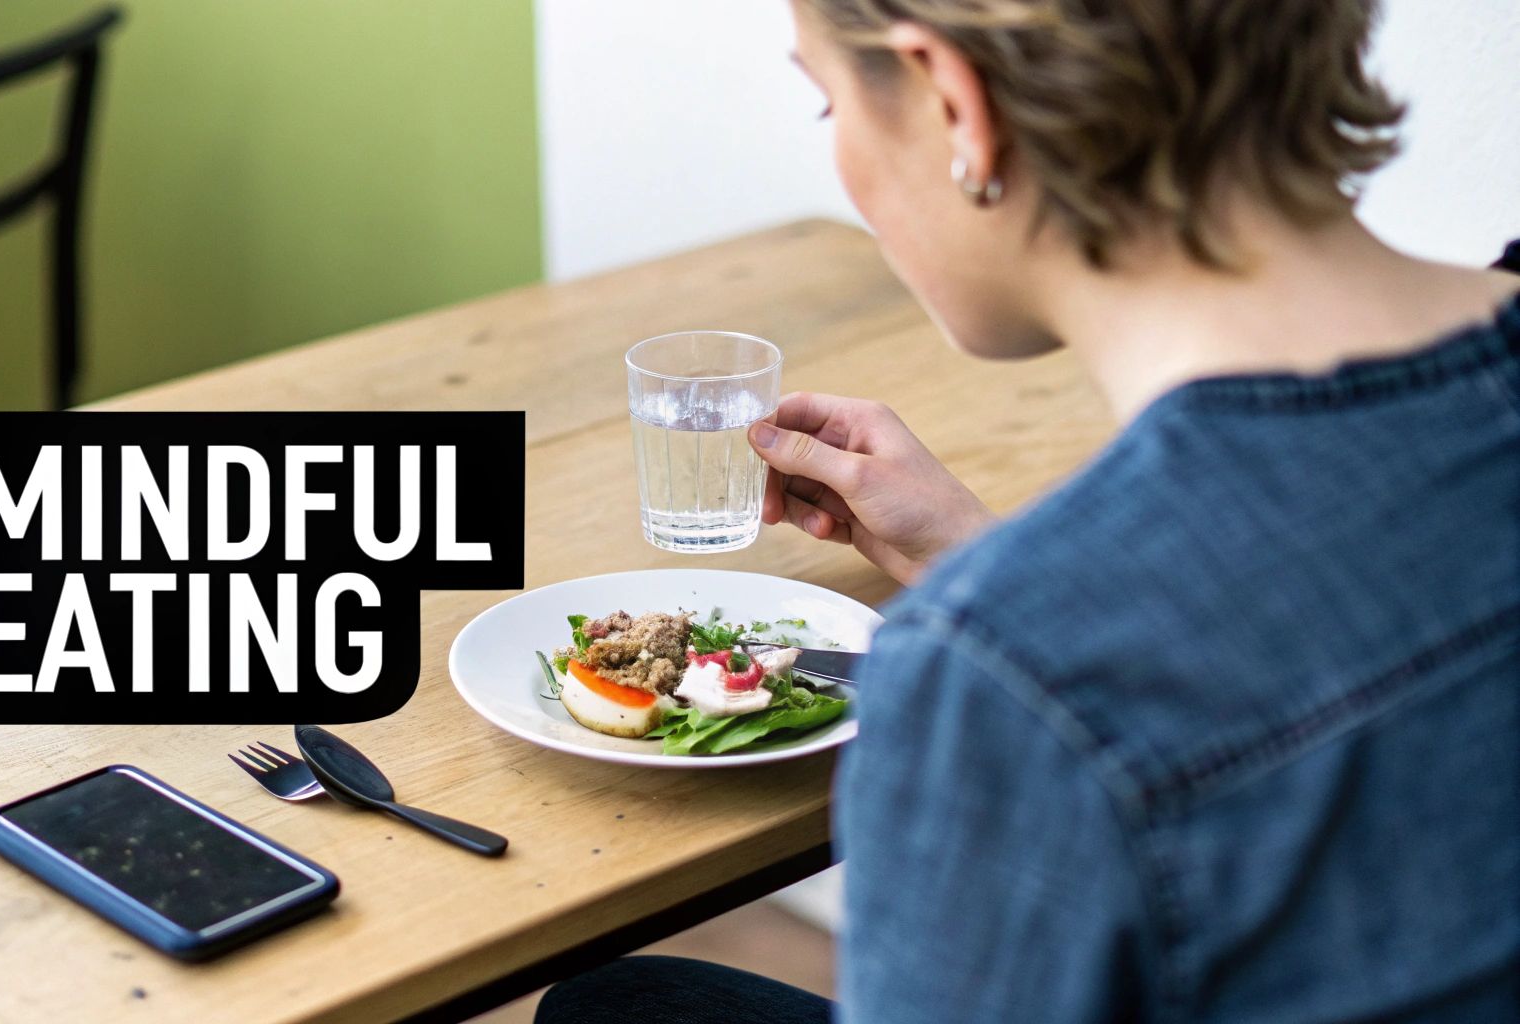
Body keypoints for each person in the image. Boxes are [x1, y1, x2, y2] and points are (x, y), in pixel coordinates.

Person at [538, 0, 1520, 1021]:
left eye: (827, 102)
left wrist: (1008, 634)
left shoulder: (994, 682)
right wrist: (990, 560)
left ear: (954, 104)